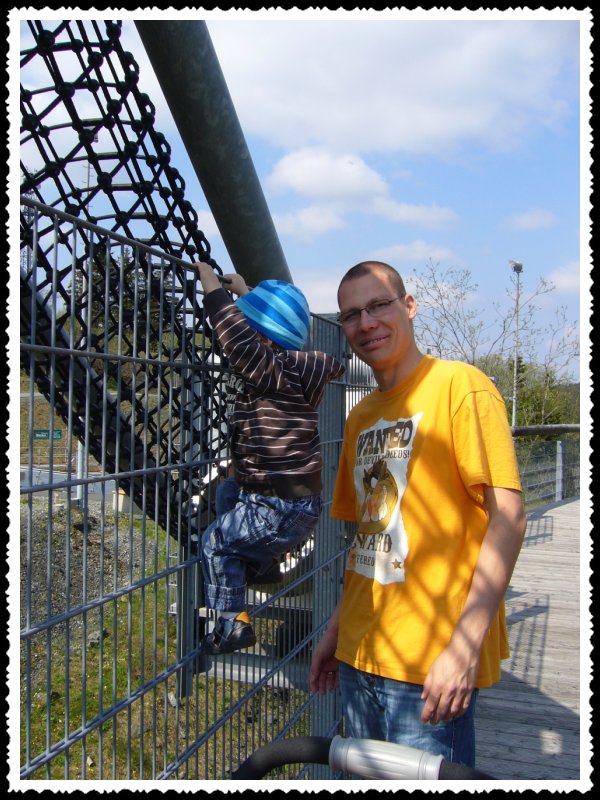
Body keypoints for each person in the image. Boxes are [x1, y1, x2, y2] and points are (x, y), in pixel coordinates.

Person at [309, 260, 526, 767]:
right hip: (360, 654)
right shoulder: (361, 416)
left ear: (409, 306)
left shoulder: (460, 386)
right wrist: (336, 631)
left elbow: (509, 517)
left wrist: (464, 647)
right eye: (351, 314)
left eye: (378, 305)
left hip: (429, 662)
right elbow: (369, 538)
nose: (366, 323)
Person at [195, 261, 345, 655]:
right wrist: (246, 293)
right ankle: (259, 564)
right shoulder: (295, 368)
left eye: (253, 329)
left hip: (277, 505)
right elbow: (261, 335)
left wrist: (212, 287)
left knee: (215, 542)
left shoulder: (269, 372)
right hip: (290, 500)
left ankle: (232, 622)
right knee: (227, 492)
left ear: (262, 340)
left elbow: (239, 340)